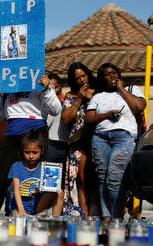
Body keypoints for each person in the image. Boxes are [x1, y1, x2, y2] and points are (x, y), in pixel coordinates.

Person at [0, 74, 61, 214]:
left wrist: (46, 89)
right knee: (0, 181)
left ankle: (46, 218)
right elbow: (0, 115)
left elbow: (55, 110)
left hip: (36, 133)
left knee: (47, 180)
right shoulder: (9, 84)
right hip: (12, 135)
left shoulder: (40, 81)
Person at [85, 63, 146, 219]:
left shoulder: (132, 90)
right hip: (100, 138)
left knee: (114, 177)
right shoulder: (98, 96)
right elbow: (88, 119)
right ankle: (106, 218)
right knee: (101, 178)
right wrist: (107, 115)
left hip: (124, 137)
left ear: (119, 75)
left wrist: (122, 90)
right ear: (102, 78)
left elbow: (139, 106)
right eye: (107, 74)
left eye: (114, 73)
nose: (111, 76)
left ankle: (116, 217)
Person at [61, 62, 97, 216]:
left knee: (93, 183)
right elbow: (66, 119)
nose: (82, 80)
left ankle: (96, 216)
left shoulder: (98, 93)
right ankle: (82, 216)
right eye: (78, 78)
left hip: (96, 143)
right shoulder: (70, 97)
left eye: (83, 75)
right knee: (79, 183)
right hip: (77, 146)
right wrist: (80, 99)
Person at [9, 129, 50, 215]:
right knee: (17, 215)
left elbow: (49, 190)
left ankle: (55, 222)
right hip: (20, 204)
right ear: (22, 151)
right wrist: (21, 211)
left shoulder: (46, 167)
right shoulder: (16, 166)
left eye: (35, 153)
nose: (31, 156)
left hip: (38, 205)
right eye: (27, 152)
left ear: (41, 151)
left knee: (59, 193)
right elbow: (16, 190)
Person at [45, 74, 69, 215]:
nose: (54, 89)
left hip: (65, 146)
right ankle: (48, 212)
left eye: (56, 86)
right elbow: (46, 124)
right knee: (51, 182)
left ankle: (57, 213)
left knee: (61, 184)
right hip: (52, 145)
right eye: (51, 86)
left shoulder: (65, 103)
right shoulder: (49, 104)